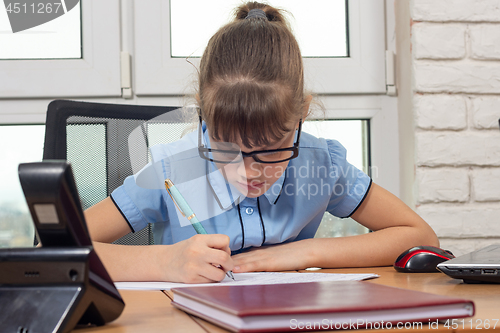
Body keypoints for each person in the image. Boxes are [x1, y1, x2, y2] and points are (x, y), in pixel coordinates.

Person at [85, 1, 439, 284]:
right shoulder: (172, 169)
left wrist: (302, 253)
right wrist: (165, 262)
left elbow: (418, 234)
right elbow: (55, 252)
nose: (249, 171)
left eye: (270, 150)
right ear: (204, 117)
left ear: (301, 116)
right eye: (225, 148)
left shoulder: (320, 163)